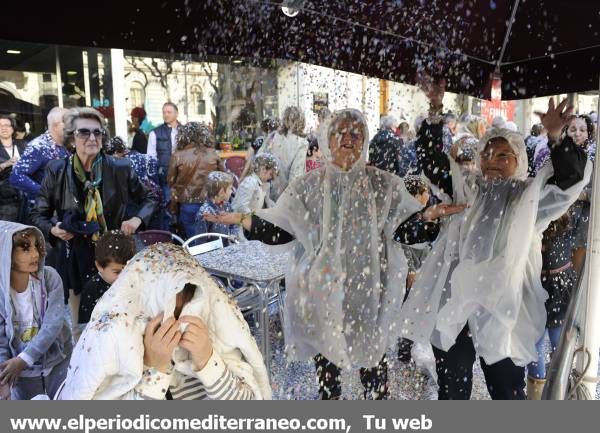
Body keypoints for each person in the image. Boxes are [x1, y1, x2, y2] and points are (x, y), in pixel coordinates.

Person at [204, 109, 464, 399]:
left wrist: (427, 217)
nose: (348, 138)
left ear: (364, 140)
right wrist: (244, 219)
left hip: (368, 291)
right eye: (341, 132)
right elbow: (283, 227)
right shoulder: (308, 185)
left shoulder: (383, 184)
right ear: (328, 138)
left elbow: (403, 228)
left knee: (374, 369)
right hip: (321, 289)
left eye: (356, 133)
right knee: (327, 368)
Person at [400, 78, 591, 400]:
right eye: (487, 152)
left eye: (504, 155)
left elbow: (570, 181)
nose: (492, 160)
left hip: (505, 311)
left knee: (506, 392)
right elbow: (432, 161)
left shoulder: (530, 198)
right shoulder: (467, 189)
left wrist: (557, 138)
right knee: (452, 388)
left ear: (519, 161)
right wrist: (435, 108)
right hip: (456, 305)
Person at [55, 243, 270, 400]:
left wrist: (207, 358)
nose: (175, 327)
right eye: (164, 313)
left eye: (184, 310)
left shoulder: (213, 336)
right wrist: (155, 367)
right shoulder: (114, 336)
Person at [30, 107, 158, 334]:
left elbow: (150, 197)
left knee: (124, 322)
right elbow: (38, 214)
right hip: (76, 259)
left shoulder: (120, 167)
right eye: (84, 133)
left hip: (116, 258)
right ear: (71, 138)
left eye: (97, 133)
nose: (92, 138)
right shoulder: (57, 170)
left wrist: (138, 219)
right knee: (84, 327)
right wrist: (53, 230)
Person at [0, 222, 72, 400]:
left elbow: (53, 324)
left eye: (36, 246)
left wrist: (24, 358)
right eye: (25, 248)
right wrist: (4, 374)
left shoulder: (49, 278)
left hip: (58, 361)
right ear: (4, 252)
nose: (35, 254)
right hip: (22, 374)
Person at [526, 203, 587, 399]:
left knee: (560, 344)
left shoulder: (577, 207)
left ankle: (559, 396)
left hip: (561, 286)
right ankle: (536, 400)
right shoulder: (535, 202)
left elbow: (580, 250)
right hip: (535, 283)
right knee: (533, 345)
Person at [167, 123, 225, 239]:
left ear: (183, 136)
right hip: (210, 204)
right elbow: (223, 178)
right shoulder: (213, 153)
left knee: (194, 241)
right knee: (211, 240)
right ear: (205, 135)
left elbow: (170, 181)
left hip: (187, 203)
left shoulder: (178, 156)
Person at [77, 230, 136, 333]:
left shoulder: (133, 281)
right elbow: (84, 327)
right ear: (99, 266)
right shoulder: (91, 289)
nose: (123, 277)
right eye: (117, 272)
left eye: (127, 270)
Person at [10, 107, 68, 204]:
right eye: (70, 121)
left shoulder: (68, 144)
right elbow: (16, 176)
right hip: (45, 211)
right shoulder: (39, 146)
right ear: (55, 125)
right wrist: (46, 193)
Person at [102, 136, 161, 229]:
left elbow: (146, 192)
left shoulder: (123, 164)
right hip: (151, 203)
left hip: (138, 207)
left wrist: (138, 218)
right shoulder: (140, 157)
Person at [258, 106, 308, 202]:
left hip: (266, 192)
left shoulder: (273, 136)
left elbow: (259, 159)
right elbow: (295, 176)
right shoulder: (302, 143)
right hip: (285, 197)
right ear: (301, 121)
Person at [147, 102, 181, 230]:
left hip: (184, 176)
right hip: (166, 177)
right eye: (164, 112)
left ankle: (181, 237)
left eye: (169, 112)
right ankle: (168, 239)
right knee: (168, 208)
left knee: (183, 209)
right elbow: (151, 158)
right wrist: (154, 180)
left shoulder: (184, 131)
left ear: (176, 113)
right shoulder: (155, 133)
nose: (166, 115)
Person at [195, 171, 237, 242]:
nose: (231, 192)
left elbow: (234, 224)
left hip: (226, 248)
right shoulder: (205, 213)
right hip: (214, 251)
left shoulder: (227, 206)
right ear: (221, 192)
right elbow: (200, 241)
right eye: (230, 189)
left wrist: (233, 233)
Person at [0, 115, 27, 222]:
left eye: (7, 125)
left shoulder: (23, 145)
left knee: (27, 233)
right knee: (8, 233)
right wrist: (5, 164)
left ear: (13, 128)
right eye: (0, 125)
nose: (3, 128)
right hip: (5, 202)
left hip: (25, 198)